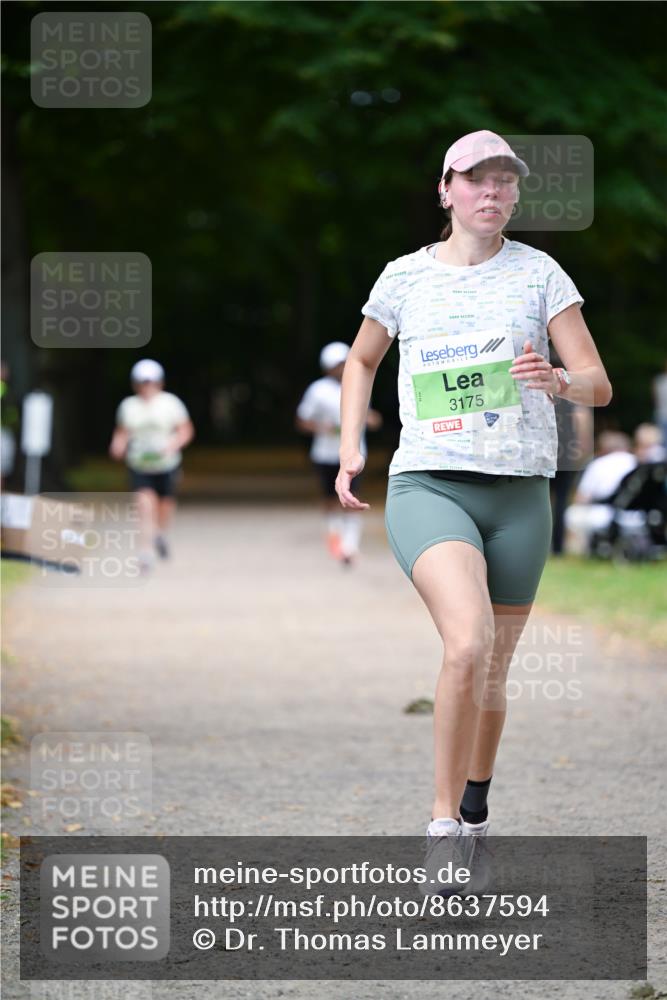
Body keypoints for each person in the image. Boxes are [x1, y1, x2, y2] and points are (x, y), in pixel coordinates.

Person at [335, 129, 612, 891]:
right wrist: (350, 446)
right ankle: (441, 825)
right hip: (430, 485)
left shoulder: (539, 275)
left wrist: (556, 379)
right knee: (466, 644)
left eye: (503, 181)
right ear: (446, 189)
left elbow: (597, 382)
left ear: (515, 194)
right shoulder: (403, 279)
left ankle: (477, 808)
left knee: (491, 670)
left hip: (520, 492)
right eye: (475, 180)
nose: (490, 192)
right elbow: (360, 359)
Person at [296, 342, 382, 566]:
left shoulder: (358, 385)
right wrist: (323, 428)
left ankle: (350, 546)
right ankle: (335, 537)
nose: (341, 368)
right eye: (337, 364)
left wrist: (371, 419)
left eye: (344, 362)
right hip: (325, 453)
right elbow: (303, 420)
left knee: (353, 498)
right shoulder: (317, 390)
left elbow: (369, 416)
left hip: (354, 454)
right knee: (330, 498)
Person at [109, 359, 194, 571]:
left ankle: (159, 534)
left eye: (151, 382)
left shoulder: (171, 403)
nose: (147, 387)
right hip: (139, 464)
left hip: (167, 464)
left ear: (159, 382)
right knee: (144, 506)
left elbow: (185, 430)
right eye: (142, 382)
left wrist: (173, 445)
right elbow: (122, 431)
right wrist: (118, 444)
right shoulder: (128, 406)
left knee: (165, 505)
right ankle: (145, 552)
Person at [564, 431, 637, 555]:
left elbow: (581, 497)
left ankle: (582, 551)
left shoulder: (598, 463)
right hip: (636, 515)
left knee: (571, 513)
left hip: (603, 514)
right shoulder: (635, 462)